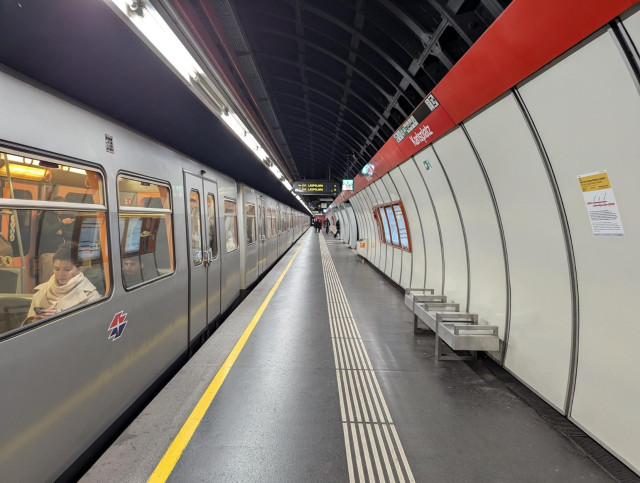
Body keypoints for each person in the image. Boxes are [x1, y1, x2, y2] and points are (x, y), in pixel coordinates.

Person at [22, 242, 100, 326]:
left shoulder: (90, 296)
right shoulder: (41, 291)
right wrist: (34, 321)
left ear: (79, 270)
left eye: (67, 269)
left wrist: (60, 317)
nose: (60, 274)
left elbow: (92, 328)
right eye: (57, 269)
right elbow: (26, 327)